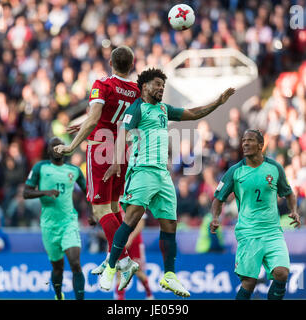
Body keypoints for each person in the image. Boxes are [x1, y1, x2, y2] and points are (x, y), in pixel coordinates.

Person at [101, 68, 235, 297]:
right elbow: (123, 130)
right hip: (142, 170)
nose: (161, 87)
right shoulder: (138, 107)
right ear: (144, 87)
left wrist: (218, 103)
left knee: (170, 225)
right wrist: (115, 161)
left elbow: (193, 113)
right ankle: (111, 266)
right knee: (131, 218)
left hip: (163, 174)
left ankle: (170, 275)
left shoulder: (163, 109)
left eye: (163, 84)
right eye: (157, 84)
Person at [53, 45, 142, 290]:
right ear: (131, 65)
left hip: (101, 148)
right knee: (113, 208)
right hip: (122, 150)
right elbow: (115, 117)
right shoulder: (135, 90)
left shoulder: (102, 84)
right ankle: (114, 257)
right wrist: (83, 124)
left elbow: (95, 118)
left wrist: (71, 147)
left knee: (99, 209)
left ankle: (123, 259)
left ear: (111, 63)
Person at [210, 129, 301, 300]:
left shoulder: (274, 168)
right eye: (243, 140)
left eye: (250, 140)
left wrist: (294, 211)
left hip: (272, 232)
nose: (245, 143)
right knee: (249, 282)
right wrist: (215, 217)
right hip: (248, 233)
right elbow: (218, 198)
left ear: (261, 145)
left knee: (281, 273)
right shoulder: (235, 171)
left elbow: (288, 193)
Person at [23, 137, 89, 300]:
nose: (57, 148)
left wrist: (93, 213)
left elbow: (89, 192)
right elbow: (26, 192)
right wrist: (45, 192)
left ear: (66, 148)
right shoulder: (40, 168)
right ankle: (59, 295)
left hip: (69, 223)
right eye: (53, 146)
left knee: (75, 263)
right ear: (48, 150)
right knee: (58, 268)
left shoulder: (74, 170)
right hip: (49, 225)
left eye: (60, 145)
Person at [115, 212, 154, 300]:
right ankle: (120, 298)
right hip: (120, 242)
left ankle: (149, 295)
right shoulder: (115, 203)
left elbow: (141, 224)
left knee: (138, 271)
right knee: (119, 271)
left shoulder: (137, 199)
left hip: (135, 243)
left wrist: (130, 239)